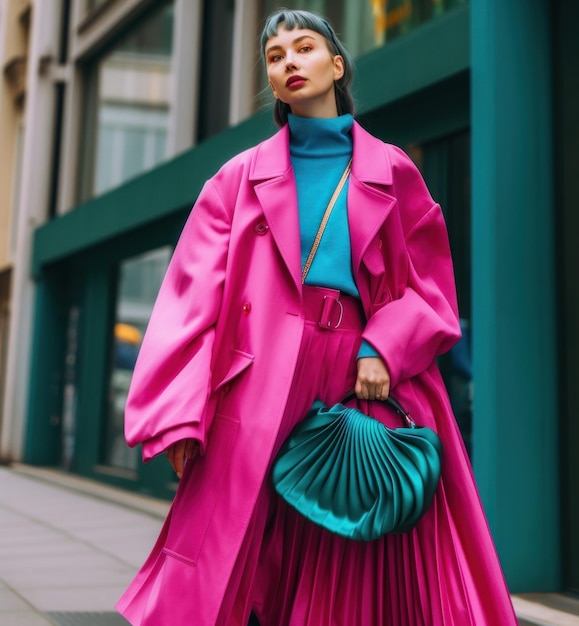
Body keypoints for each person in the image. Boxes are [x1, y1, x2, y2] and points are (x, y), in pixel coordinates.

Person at [116, 9, 518, 626]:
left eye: (303, 48)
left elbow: (431, 288)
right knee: (239, 544)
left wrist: (384, 346)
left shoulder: (392, 169)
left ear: (336, 66)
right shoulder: (235, 179)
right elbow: (189, 301)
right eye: (275, 57)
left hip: (364, 369)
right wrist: (178, 416)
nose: (288, 63)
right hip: (255, 378)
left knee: (354, 534)